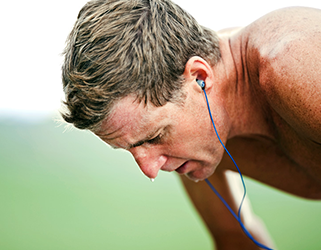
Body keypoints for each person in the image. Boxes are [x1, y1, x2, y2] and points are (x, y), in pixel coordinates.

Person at [60, 0, 321, 249]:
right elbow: (237, 243)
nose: (150, 170)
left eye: (153, 136)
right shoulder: (197, 143)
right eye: (130, 150)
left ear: (199, 77)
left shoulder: (293, 67)